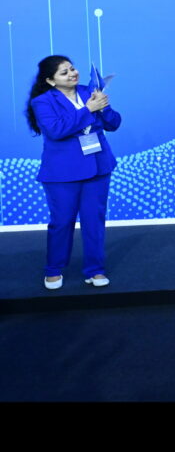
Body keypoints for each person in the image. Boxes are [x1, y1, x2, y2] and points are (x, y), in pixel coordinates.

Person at [27, 55, 122, 290]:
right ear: (51, 81)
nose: (72, 73)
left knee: (94, 221)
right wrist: (89, 109)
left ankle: (95, 269)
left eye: (72, 68)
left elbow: (113, 124)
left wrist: (104, 108)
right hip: (62, 173)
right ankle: (53, 269)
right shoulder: (42, 102)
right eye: (64, 72)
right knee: (61, 222)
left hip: (98, 167)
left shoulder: (89, 91)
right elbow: (56, 130)